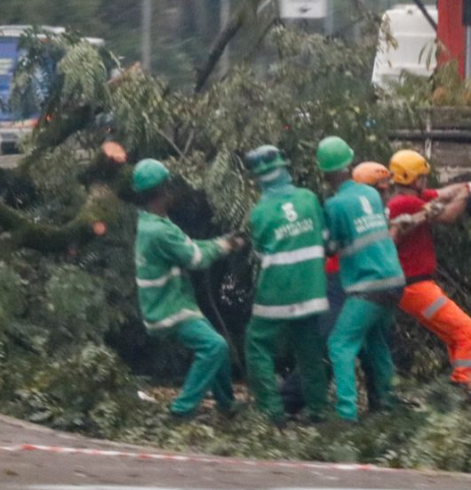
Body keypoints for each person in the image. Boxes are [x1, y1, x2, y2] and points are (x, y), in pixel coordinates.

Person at [385, 150, 471, 387]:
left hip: (414, 287)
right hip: (417, 287)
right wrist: (467, 194)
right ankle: (467, 386)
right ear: (413, 178)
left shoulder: (404, 199)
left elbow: (445, 193)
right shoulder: (407, 203)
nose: (426, 180)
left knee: (456, 337)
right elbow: (448, 215)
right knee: (469, 333)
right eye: (422, 176)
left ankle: (461, 382)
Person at [131, 159, 243, 420]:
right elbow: (196, 259)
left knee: (219, 347)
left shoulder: (154, 223)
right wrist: (226, 245)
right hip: (169, 308)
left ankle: (227, 407)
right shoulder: (158, 231)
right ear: (164, 191)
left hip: (172, 303)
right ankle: (181, 411)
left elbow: (189, 247)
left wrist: (222, 242)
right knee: (214, 347)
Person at [317, 137, 405, 422]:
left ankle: (346, 416)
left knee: (340, 344)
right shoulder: (369, 195)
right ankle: (389, 406)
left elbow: (329, 246)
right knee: (376, 342)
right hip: (394, 280)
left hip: (368, 286)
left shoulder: (334, 205)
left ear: (325, 174)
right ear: (350, 164)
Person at [243, 146, 330, 425]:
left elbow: (259, 253)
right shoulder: (309, 198)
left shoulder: (259, 213)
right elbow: (326, 240)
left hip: (276, 292)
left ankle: (272, 412)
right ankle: (318, 411)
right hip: (312, 290)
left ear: (257, 178)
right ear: (285, 169)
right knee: (309, 351)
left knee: (257, 345)